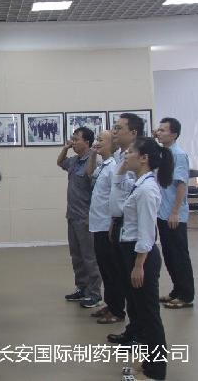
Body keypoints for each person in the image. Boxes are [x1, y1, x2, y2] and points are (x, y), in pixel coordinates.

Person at [117, 137, 172, 380]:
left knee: (149, 315)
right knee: (140, 313)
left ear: (144, 158)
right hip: (133, 253)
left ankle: (156, 370)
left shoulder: (148, 190)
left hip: (142, 257)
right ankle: (149, 361)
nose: (125, 155)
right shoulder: (139, 183)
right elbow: (118, 183)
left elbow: (147, 232)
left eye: (130, 152)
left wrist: (139, 265)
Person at [107, 112, 143, 345]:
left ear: (133, 133)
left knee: (136, 287)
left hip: (132, 228)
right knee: (124, 281)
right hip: (119, 223)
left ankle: (139, 333)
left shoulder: (139, 158)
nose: (114, 132)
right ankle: (133, 328)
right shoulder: (121, 156)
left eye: (119, 128)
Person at [57, 127, 102, 308]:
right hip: (72, 215)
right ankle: (82, 288)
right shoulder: (74, 161)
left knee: (89, 257)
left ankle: (95, 294)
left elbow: (96, 189)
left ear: (87, 142)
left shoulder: (94, 162)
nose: (73, 142)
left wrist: (92, 216)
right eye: (73, 139)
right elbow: (60, 162)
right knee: (76, 256)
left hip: (86, 217)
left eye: (76, 139)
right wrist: (65, 148)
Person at [154, 117, 195, 309]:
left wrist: (175, 211)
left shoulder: (179, 155)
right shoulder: (163, 153)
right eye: (159, 129)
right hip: (162, 212)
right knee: (169, 254)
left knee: (179, 254)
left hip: (173, 213)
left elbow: (181, 184)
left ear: (174, 134)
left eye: (163, 130)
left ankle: (186, 295)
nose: (159, 132)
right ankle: (176, 290)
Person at [85, 129, 125, 324]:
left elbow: (116, 199)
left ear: (112, 144)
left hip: (106, 225)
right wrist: (93, 154)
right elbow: (89, 173)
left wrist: (112, 223)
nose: (97, 142)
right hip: (97, 224)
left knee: (111, 270)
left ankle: (117, 310)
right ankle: (110, 304)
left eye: (101, 140)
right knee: (104, 269)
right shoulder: (104, 165)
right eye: (97, 139)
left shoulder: (113, 168)